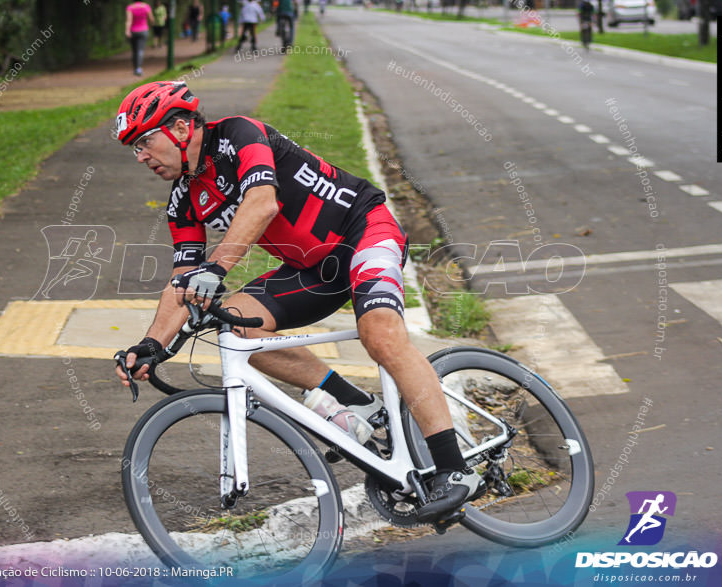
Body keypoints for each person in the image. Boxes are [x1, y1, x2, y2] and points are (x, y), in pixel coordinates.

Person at [113, 81, 487, 525]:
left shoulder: (238, 135)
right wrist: (152, 343)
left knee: (380, 335)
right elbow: (182, 278)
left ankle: (453, 469)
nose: (140, 156)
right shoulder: (183, 199)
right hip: (313, 269)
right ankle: (357, 403)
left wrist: (216, 269)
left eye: (143, 142)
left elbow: (262, 202)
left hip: (362, 230)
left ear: (178, 127)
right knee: (237, 325)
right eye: (134, 148)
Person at [126, 1, 155, 76]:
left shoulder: (130, 7)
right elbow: (151, 19)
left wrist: (127, 30)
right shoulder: (146, 7)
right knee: (140, 50)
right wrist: (152, 24)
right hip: (143, 30)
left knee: (134, 50)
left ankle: (135, 67)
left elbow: (129, 20)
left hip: (133, 31)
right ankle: (138, 68)